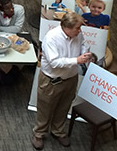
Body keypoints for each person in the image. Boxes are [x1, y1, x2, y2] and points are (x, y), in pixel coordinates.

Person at [31, 12, 94, 149]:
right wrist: (77, 60)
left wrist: (85, 53)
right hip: (51, 80)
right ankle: (39, 133)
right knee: (45, 109)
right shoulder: (51, 38)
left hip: (71, 78)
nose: (80, 31)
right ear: (67, 27)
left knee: (64, 106)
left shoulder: (77, 34)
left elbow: (82, 44)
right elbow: (54, 62)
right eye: (77, 28)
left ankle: (58, 131)